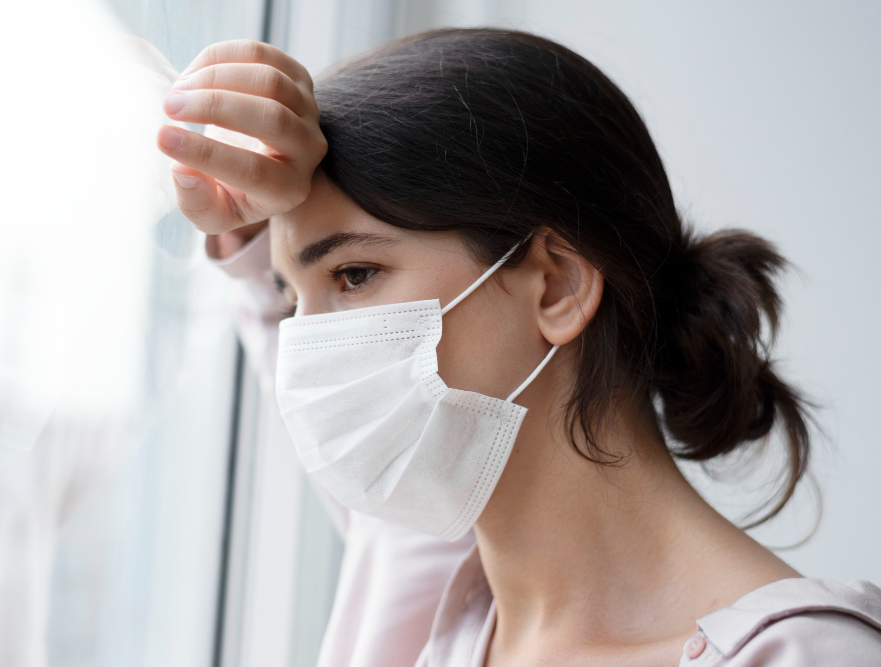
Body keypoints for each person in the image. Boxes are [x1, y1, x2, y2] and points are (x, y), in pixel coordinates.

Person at [157, 29, 881, 666]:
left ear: (557, 285)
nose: (308, 351)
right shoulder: (424, 581)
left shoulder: (809, 657)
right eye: (292, 299)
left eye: (354, 275)